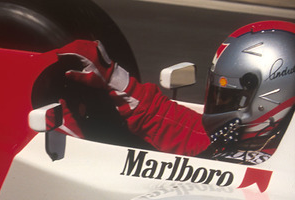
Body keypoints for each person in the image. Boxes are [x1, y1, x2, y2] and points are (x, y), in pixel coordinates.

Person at [56, 21, 295, 164]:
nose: (218, 104)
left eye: (228, 97)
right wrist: (113, 77)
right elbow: (180, 127)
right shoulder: (254, 145)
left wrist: (75, 151)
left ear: (268, 98)